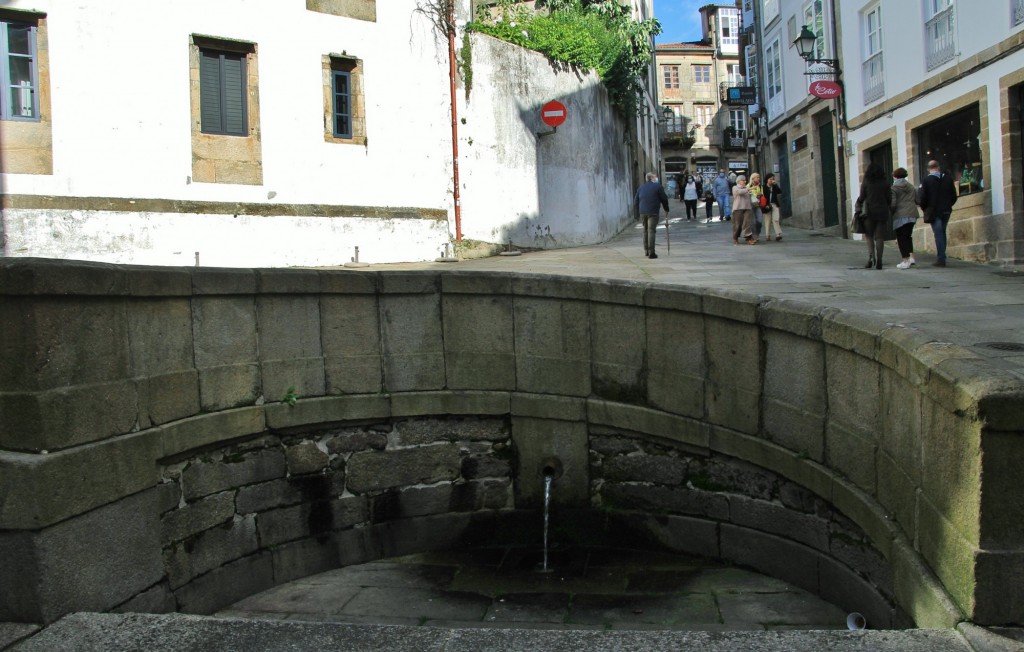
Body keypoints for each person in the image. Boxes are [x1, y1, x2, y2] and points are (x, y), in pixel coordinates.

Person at [917, 159, 958, 267]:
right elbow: (954, 196)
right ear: (938, 167)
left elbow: (921, 197)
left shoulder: (926, 180)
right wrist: (948, 204)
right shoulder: (948, 179)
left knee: (938, 234)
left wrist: (925, 208)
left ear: (928, 169)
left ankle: (941, 258)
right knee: (942, 232)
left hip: (933, 210)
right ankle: (942, 256)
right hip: (946, 209)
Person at [855, 163, 890, 270]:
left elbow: (862, 196)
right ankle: (880, 260)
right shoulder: (885, 183)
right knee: (879, 237)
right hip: (882, 212)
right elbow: (889, 198)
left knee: (869, 235)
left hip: (869, 212)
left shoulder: (866, 182)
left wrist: (859, 203)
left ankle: (871, 257)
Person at [635, 172, 670, 259]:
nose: (656, 178)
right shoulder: (658, 186)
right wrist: (666, 209)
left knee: (645, 230)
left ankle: (646, 250)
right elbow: (664, 199)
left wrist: (638, 212)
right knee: (651, 231)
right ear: (652, 178)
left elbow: (636, 201)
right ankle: (652, 252)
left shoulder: (641, 187)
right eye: (655, 177)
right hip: (653, 211)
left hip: (643, 212)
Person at [889, 167, 919, 269]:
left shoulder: (894, 188)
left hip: (900, 215)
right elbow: (917, 199)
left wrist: (891, 212)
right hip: (912, 214)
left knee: (901, 238)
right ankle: (911, 257)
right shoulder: (910, 186)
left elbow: (893, 204)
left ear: (895, 176)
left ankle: (905, 260)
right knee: (908, 237)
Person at [731, 175, 756, 245]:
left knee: (747, 224)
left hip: (748, 208)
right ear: (739, 181)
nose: (745, 182)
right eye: (743, 180)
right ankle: (735, 237)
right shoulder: (735, 187)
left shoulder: (747, 188)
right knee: (737, 224)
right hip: (738, 208)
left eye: (745, 180)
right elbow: (739, 192)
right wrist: (748, 189)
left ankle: (749, 238)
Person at [763, 173, 783, 241]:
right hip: (767, 205)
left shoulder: (774, 186)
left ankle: (778, 234)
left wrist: (775, 184)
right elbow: (762, 197)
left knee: (776, 219)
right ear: (767, 179)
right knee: (767, 220)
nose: (771, 180)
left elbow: (779, 191)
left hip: (774, 204)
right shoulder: (764, 187)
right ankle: (767, 235)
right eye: (770, 179)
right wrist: (765, 205)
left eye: (772, 179)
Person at [748, 173, 764, 242]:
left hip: (757, 205)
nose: (758, 178)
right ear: (753, 178)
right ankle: (754, 235)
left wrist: (759, 194)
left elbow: (761, 194)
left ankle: (758, 233)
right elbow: (747, 192)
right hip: (751, 205)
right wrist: (754, 193)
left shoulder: (760, 186)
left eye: (759, 177)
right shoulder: (748, 185)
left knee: (760, 221)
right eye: (757, 177)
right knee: (753, 222)